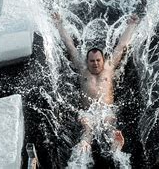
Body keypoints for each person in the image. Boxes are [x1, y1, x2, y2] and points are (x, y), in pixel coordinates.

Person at [52, 12, 139, 155]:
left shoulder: (109, 68)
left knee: (110, 123)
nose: (95, 63)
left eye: (98, 60)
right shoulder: (82, 69)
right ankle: (85, 143)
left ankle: (115, 144)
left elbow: (121, 45)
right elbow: (70, 46)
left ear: (103, 60)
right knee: (87, 126)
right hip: (88, 111)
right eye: (92, 61)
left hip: (106, 109)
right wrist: (59, 24)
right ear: (87, 61)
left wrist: (132, 25)